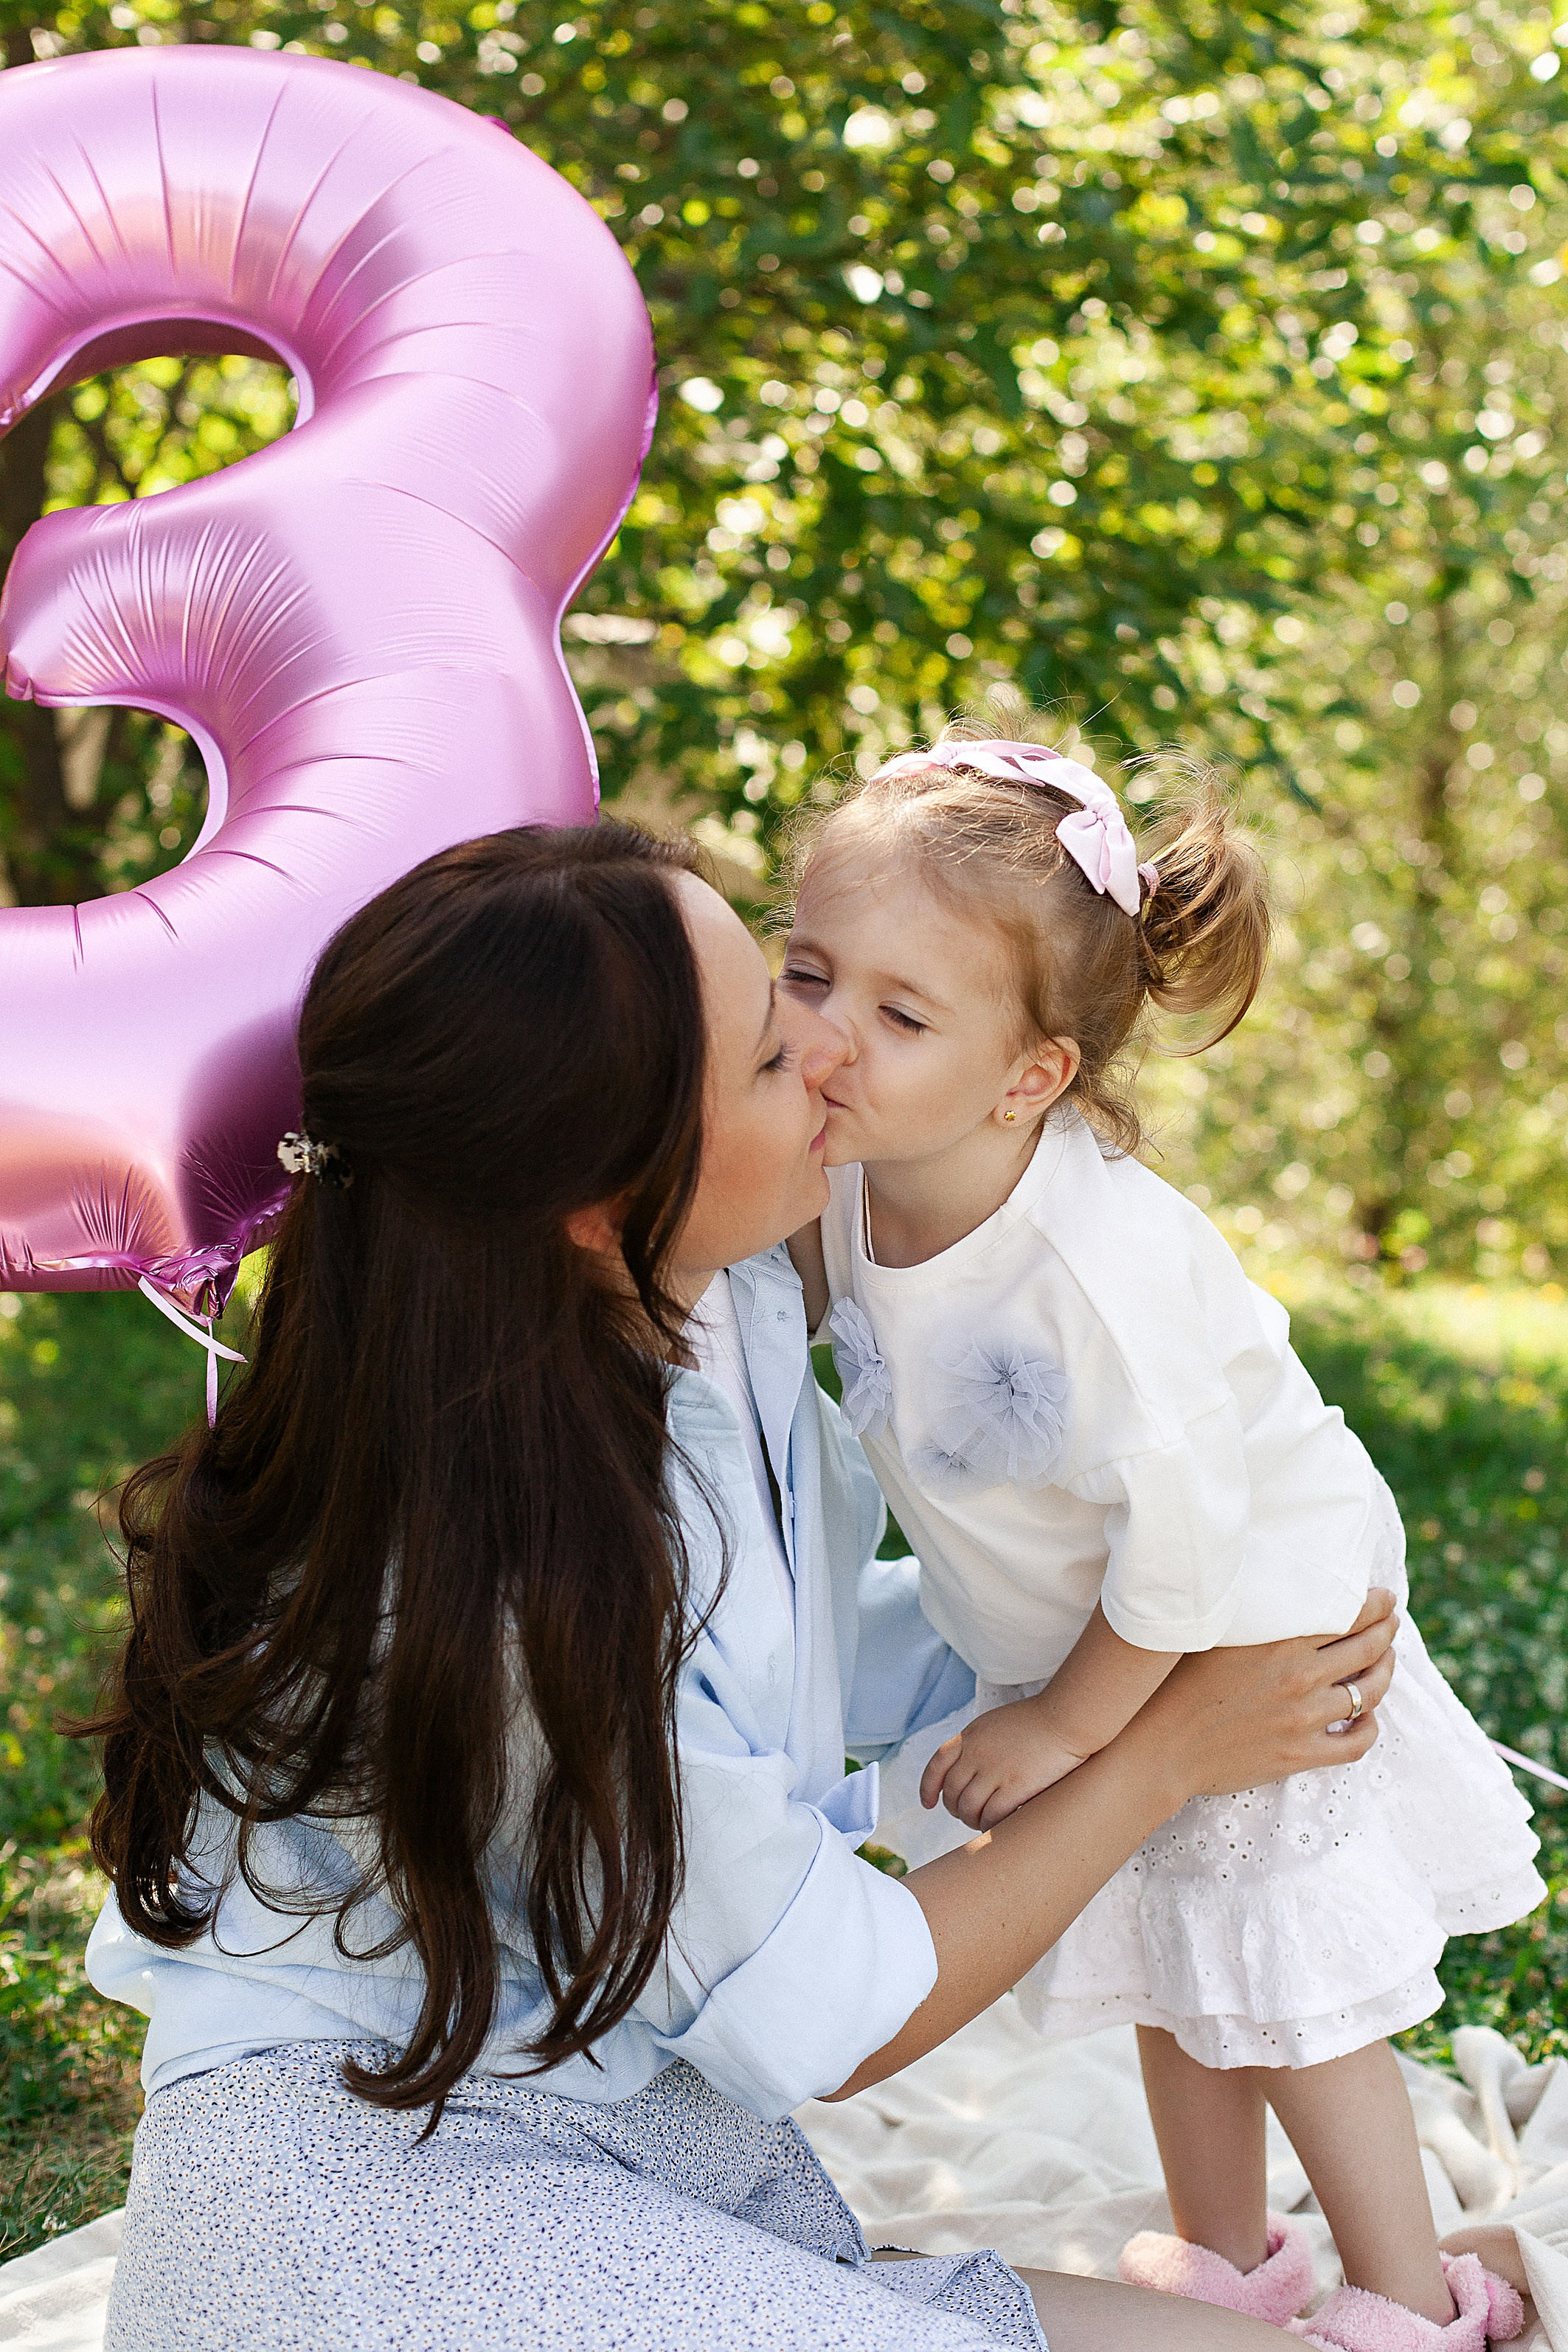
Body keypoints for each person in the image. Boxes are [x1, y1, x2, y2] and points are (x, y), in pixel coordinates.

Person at [83, 819, 1399, 2352]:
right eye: (780, 1049)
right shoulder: (506, 1582)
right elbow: (839, 2010)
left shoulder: (714, 1304)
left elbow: (814, 1654)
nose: (833, 1060)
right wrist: (1165, 1755)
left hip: (624, 2120)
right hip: (374, 2184)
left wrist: (1136, 1637)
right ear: (601, 1192)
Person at [780, 708, 1543, 2352]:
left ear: (1031, 1075)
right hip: (1106, 1622)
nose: (831, 1034)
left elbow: (1194, 1541)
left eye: (900, 1010)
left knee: (1273, 1969)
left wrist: (1070, 1721)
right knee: (1159, 1939)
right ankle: (1227, 2262)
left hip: (1256, 1613)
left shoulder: (1093, 1272)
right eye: (807, 971)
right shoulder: (857, 1173)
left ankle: (1409, 2303)